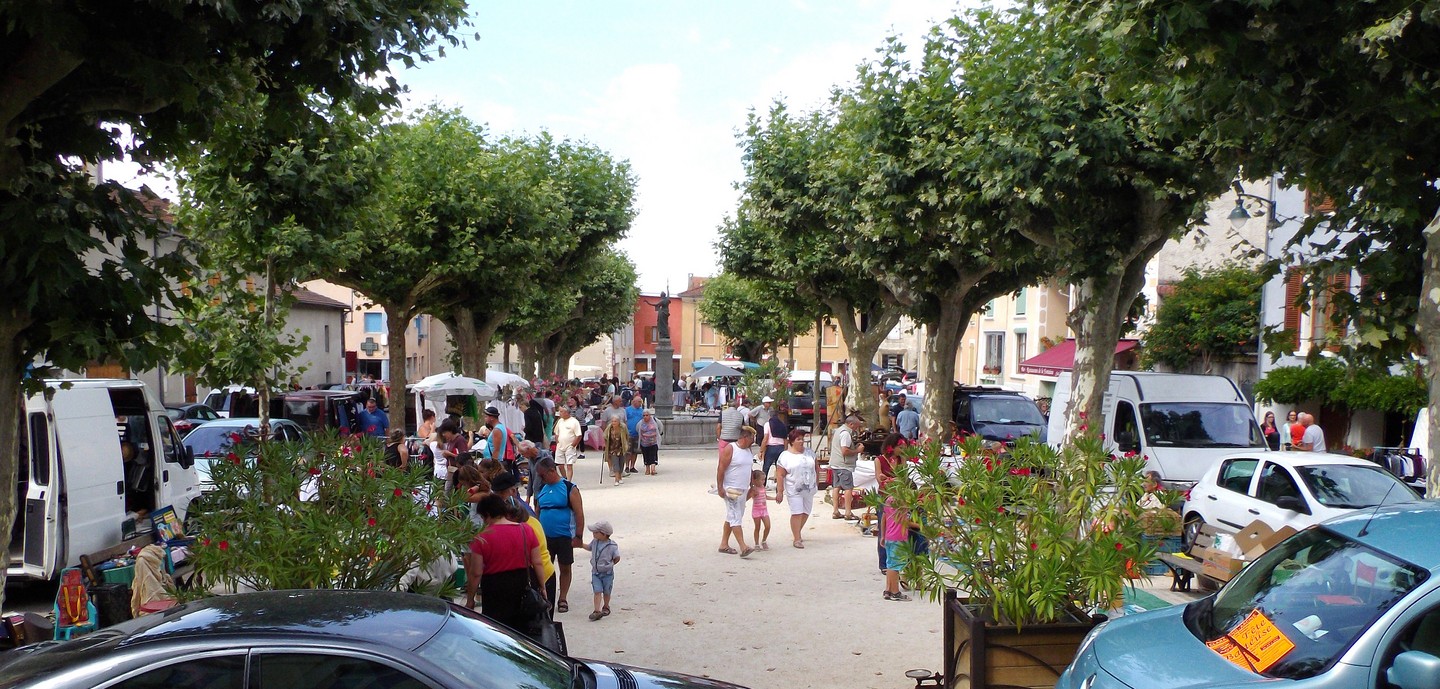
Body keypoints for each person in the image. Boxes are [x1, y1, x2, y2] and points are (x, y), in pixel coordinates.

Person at [465, 494, 548, 635]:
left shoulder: (481, 538)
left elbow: (476, 572)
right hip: (522, 585)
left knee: (498, 633)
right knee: (523, 632)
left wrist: (470, 599)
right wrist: (542, 586)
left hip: (494, 589)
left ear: (487, 515)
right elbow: (537, 562)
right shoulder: (526, 530)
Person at [490, 472, 555, 605]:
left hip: (537, 574)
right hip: (540, 572)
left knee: (540, 621)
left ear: (513, 491)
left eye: (499, 494)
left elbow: (534, 559)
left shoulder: (519, 518)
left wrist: (541, 586)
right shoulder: (517, 510)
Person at [531, 457, 584, 614]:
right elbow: (537, 513)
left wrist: (579, 536)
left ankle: (563, 597)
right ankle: (546, 595)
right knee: (545, 567)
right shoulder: (542, 489)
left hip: (565, 535)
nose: (540, 478)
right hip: (545, 537)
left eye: (542, 475)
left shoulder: (569, 488)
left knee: (565, 566)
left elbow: (579, 513)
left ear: (552, 471)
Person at [716, 426, 758, 557]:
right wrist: (720, 487)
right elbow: (721, 468)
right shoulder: (731, 448)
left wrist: (752, 485)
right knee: (735, 517)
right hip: (731, 489)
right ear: (745, 437)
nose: (753, 441)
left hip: (743, 488)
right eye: (751, 438)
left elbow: (749, 468)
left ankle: (724, 544)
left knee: (733, 515)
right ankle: (743, 546)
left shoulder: (748, 450)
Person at [774, 429, 818, 548]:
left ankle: (797, 531)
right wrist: (780, 491)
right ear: (792, 441)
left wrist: (817, 482)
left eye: (802, 439)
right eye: (798, 439)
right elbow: (780, 474)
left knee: (806, 512)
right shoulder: (785, 456)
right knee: (797, 513)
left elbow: (816, 467)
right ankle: (797, 538)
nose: (801, 441)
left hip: (809, 489)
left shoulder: (810, 452)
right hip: (794, 489)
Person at [582, 520, 621, 621]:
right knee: (597, 591)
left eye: (596, 532)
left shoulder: (612, 546)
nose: (593, 534)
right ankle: (596, 610)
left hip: (607, 573)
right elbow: (589, 547)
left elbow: (617, 557)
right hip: (595, 572)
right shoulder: (595, 542)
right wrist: (580, 544)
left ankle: (606, 606)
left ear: (604, 534)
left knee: (607, 591)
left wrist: (610, 565)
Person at [881, 491, 913, 602]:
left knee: (890, 564)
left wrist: (883, 535)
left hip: (889, 535)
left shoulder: (888, 500)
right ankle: (895, 592)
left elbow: (884, 518)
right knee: (896, 565)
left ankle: (888, 590)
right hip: (899, 536)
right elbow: (904, 521)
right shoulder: (903, 501)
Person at [830, 415, 863, 521]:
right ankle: (848, 512)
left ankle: (835, 511)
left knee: (837, 486)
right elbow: (845, 451)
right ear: (851, 424)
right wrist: (857, 450)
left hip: (835, 463)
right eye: (856, 426)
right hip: (844, 465)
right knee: (848, 488)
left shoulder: (838, 431)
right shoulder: (846, 434)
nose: (856, 429)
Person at [484, 406, 517, 476]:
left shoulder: (497, 430)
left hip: (494, 462)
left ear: (492, 418)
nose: (485, 419)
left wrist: (493, 466)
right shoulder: (500, 427)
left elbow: (496, 450)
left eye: (486, 416)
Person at [553, 405, 583, 480]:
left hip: (570, 446)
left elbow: (578, 435)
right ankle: (565, 478)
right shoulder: (560, 421)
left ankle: (569, 481)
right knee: (560, 465)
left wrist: (573, 445)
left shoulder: (574, 421)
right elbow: (556, 433)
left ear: (567, 412)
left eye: (561, 411)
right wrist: (558, 442)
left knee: (569, 465)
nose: (560, 413)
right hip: (560, 446)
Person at [759, 406, 789, 480]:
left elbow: (765, 438)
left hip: (771, 448)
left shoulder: (767, 424)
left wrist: (761, 450)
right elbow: (785, 439)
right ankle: (779, 486)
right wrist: (785, 450)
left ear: (769, 416)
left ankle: (763, 485)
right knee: (780, 468)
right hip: (781, 448)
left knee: (766, 467)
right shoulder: (782, 425)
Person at [603, 416, 629, 485]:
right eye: (612, 421)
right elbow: (605, 436)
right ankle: (616, 479)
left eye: (615, 421)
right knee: (615, 464)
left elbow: (627, 436)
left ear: (618, 422)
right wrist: (605, 444)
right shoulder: (609, 428)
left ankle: (620, 477)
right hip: (613, 449)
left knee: (621, 463)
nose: (613, 423)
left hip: (621, 448)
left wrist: (626, 444)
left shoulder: (623, 427)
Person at [749, 469, 771, 550]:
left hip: (764, 510)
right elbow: (751, 496)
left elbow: (766, 496)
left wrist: (775, 498)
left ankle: (764, 540)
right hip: (756, 510)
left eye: (764, 479)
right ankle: (756, 543)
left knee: (768, 526)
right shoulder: (754, 489)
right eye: (762, 479)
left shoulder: (763, 487)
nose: (763, 481)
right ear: (755, 480)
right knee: (757, 527)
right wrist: (753, 493)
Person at [637, 408, 662, 475]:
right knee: (646, 456)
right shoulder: (640, 423)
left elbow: (660, 428)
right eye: (644, 415)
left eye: (647, 415)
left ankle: (653, 469)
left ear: (650, 415)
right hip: (644, 443)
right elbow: (637, 429)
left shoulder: (655, 421)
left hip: (653, 442)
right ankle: (647, 469)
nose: (645, 417)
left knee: (653, 455)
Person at [624, 395, 645, 475]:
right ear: (634, 402)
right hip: (629, 433)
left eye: (641, 402)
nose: (640, 403)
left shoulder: (641, 411)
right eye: (639, 402)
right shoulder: (627, 410)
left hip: (638, 434)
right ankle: (627, 466)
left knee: (635, 451)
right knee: (628, 451)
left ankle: (632, 466)